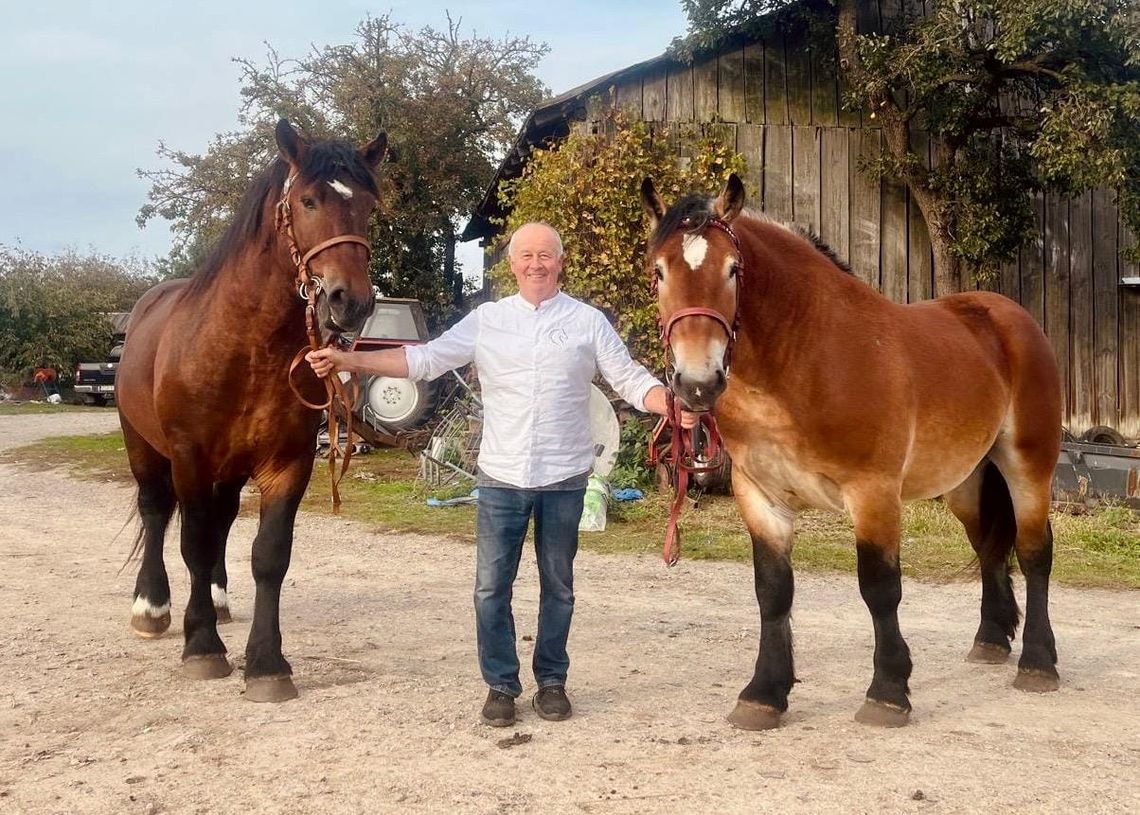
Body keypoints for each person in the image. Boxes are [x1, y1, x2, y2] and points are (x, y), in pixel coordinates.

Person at [307, 222, 691, 727]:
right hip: (501, 477)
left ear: (560, 261)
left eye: (545, 255)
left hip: (565, 477)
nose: (536, 264)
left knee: (560, 588)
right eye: (526, 255)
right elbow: (423, 359)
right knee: (491, 588)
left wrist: (669, 400)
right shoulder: (487, 320)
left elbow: (629, 378)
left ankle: (552, 682)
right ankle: (501, 686)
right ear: (511, 265)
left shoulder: (588, 322)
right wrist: (349, 358)